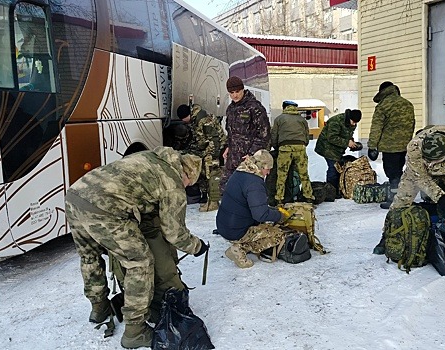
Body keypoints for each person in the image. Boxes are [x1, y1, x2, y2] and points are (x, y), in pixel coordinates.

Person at [65, 147, 209, 349]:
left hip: (75, 196)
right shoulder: (172, 182)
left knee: (89, 256)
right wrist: (197, 247)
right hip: (105, 208)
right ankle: (135, 331)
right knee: (140, 263)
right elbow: (174, 232)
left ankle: (99, 308)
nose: (186, 187)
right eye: (189, 184)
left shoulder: (151, 157)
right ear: (187, 174)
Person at [216, 149, 290, 268]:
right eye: (268, 169)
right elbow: (260, 215)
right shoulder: (254, 183)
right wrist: (280, 215)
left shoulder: (240, 172)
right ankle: (239, 249)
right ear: (260, 166)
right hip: (236, 230)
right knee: (278, 234)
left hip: (224, 225)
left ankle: (239, 243)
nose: (269, 172)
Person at [366, 81, 415, 209]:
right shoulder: (407, 104)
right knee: (400, 171)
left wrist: (372, 146)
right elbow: (412, 125)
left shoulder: (383, 106)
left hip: (389, 147)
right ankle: (403, 196)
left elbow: (376, 128)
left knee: (392, 174)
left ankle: (395, 200)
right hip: (405, 146)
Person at [220, 76, 271, 195]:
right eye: (231, 93)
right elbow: (231, 132)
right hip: (233, 157)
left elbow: (264, 134)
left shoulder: (254, 107)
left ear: (243, 90)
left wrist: (252, 154)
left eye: (237, 91)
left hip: (249, 159)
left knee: (248, 192)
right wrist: (228, 147)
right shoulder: (231, 109)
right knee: (225, 189)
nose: (235, 95)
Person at [177, 103, 227, 212]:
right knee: (203, 171)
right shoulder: (194, 120)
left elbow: (215, 140)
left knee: (212, 171)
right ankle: (207, 198)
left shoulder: (202, 119)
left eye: (184, 120)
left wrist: (209, 155)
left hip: (216, 147)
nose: (184, 122)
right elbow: (199, 139)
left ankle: (214, 202)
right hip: (208, 147)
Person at [271, 100, 314, 204]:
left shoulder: (279, 119)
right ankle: (308, 197)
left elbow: (274, 136)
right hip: (300, 147)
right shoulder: (301, 119)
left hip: (284, 148)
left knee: (281, 175)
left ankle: (279, 199)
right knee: (303, 174)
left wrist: (277, 147)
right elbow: (307, 136)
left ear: (284, 107)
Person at [314, 109, 362, 192]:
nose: (354, 124)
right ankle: (331, 190)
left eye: (356, 123)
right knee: (334, 168)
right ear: (349, 118)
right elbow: (331, 138)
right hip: (326, 147)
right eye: (353, 122)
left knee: (338, 167)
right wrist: (347, 142)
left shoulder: (352, 123)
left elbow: (348, 134)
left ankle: (337, 188)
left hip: (337, 149)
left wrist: (352, 143)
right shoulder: (336, 121)